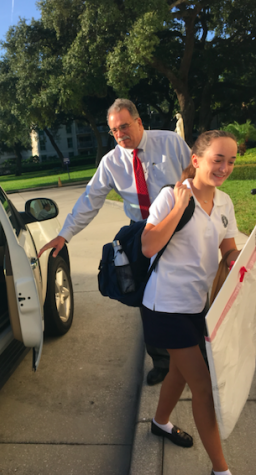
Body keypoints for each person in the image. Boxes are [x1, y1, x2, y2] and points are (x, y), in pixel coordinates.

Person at [38, 98, 191, 385]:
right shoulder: (111, 162)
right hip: (140, 234)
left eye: (124, 127)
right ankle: (162, 361)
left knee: (188, 291)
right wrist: (65, 234)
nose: (120, 134)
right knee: (148, 299)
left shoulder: (170, 143)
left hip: (178, 226)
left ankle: (199, 352)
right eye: (114, 131)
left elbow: (195, 177)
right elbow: (90, 199)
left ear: (138, 123)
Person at [141, 130, 240, 475]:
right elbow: (148, 245)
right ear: (196, 161)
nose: (225, 167)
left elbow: (228, 247)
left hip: (199, 305)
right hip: (165, 306)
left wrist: (236, 260)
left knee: (181, 374)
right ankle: (221, 470)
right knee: (203, 386)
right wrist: (180, 206)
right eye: (218, 159)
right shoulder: (171, 196)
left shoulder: (224, 201)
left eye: (231, 161)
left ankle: (160, 422)